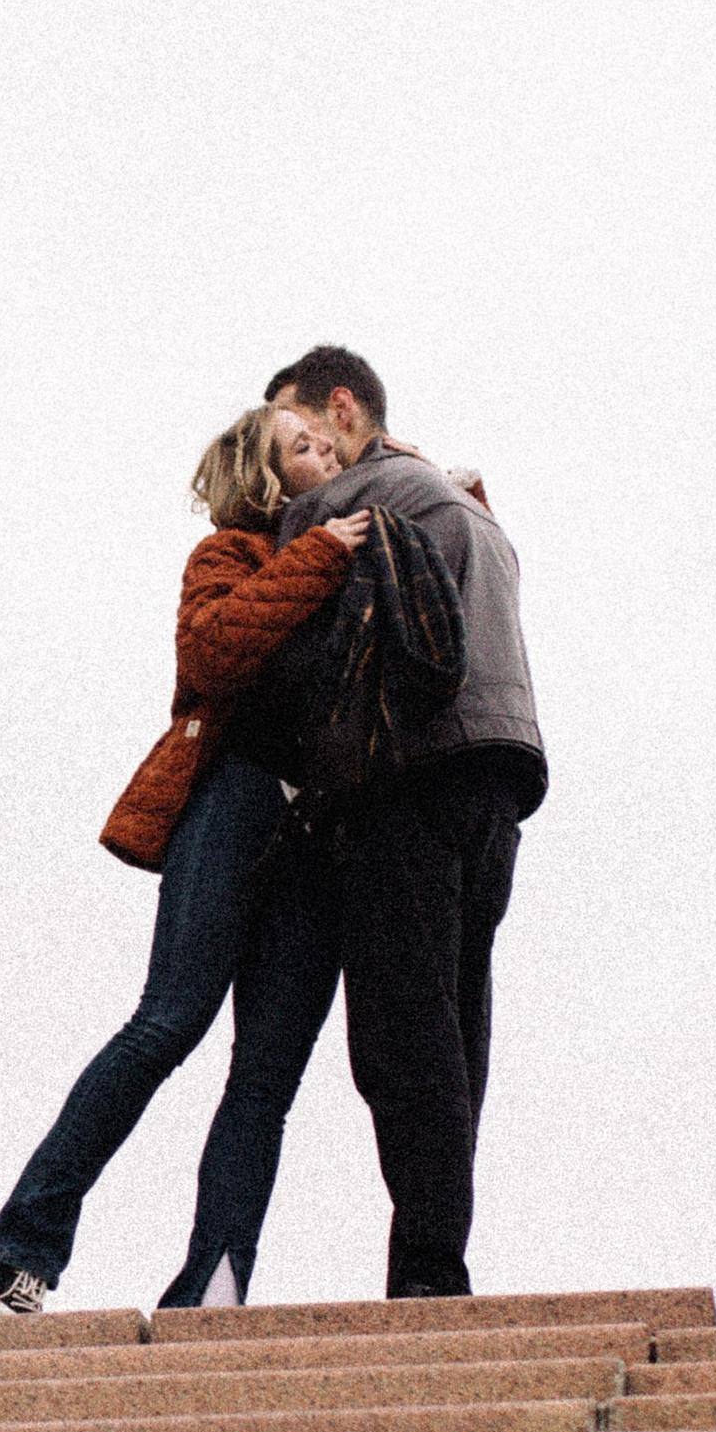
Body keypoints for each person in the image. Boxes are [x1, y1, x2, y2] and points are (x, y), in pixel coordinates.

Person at [0, 409, 366, 1313]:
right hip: (231, 798)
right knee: (169, 1023)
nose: (327, 453)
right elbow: (213, 652)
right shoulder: (229, 555)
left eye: (329, 442)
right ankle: (23, 1243)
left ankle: (217, 1282)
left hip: (318, 832)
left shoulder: (355, 547)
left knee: (267, 1076)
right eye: (301, 446)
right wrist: (318, 558)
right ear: (265, 479)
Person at [257, 344, 546, 1300]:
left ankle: (430, 1277)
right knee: (457, 1029)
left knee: (398, 1038)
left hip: (404, 784)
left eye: (296, 435)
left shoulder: (342, 505)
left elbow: (278, 644)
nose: (290, 467)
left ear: (341, 410)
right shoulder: (467, 507)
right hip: (501, 778)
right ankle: (432, 1260)